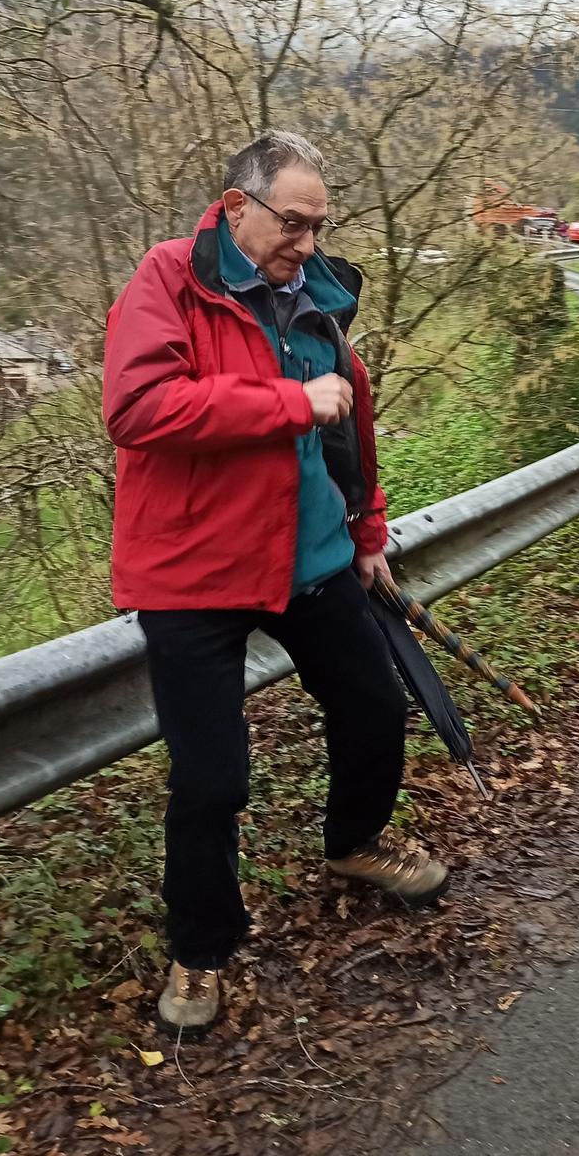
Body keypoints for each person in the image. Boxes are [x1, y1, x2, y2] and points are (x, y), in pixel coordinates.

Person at [103, 131, 448, 1037]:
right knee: (212, 780)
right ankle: (199, 947)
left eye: (319, 224)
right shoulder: (170, 280)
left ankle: (355, 844)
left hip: (315, 560)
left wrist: (367, 533)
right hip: (195, 575)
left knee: (375, 705)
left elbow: (351, 425)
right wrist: (287, 404)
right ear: (234, 207)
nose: (306, 241)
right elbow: (138, 410)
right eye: (292, 224)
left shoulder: (321, 302)